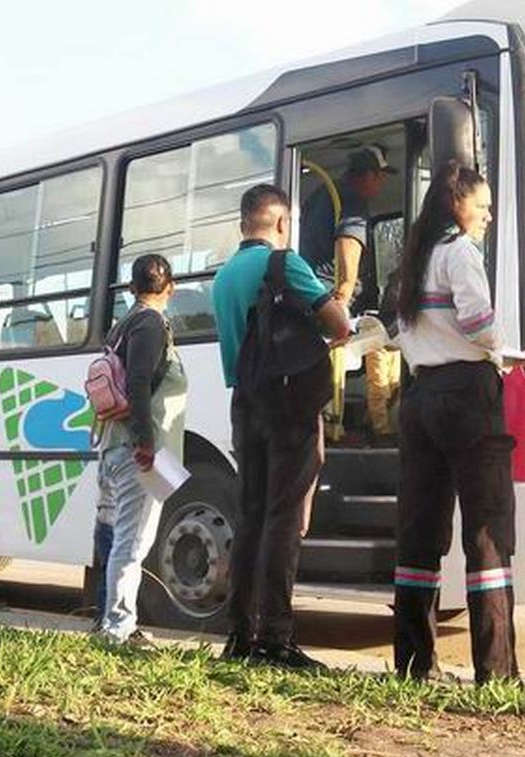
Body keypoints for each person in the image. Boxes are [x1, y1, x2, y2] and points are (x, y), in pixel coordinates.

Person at [392, 162, 522, 685]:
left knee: (420, 532)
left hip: (420, 395)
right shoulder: (460, 252)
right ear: (456, 205)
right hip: (469, 394)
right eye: (482, 206)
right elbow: (477, 323)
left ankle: (414, 663)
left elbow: (401, 330)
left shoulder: (412, 259)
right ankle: (496, 670)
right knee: (489, 530)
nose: (487, 216)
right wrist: (507, 347)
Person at [213, 184, 351, 668]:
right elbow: (340, 325)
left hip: (243, 403)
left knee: (249, 516)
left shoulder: (223, 276)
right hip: (289, 404)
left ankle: (240, 635)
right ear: (281, 223)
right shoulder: (284, 263)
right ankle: (276, 637)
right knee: (285, 517)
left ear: (242, 224)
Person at [93, 254, 187, 647]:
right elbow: (138, 385)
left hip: (113, 444)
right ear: (171, 288)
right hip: (135, 451)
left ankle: (108, 621)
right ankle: (117, 629)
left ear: (132, 288)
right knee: (132, 543)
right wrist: (146, 443)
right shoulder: (150, 323)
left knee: (115, 535)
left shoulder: (122, 324)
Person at [300, 144, 400, 438]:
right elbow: (348, 244)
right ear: (367, 175)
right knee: (387, 341)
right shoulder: (352, 199)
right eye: (380, 176)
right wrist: (342, 297)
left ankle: (352, 424)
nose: (382, 183)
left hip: (315, 297)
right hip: (334, 300)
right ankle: (378, 427)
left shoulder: (320, 196)